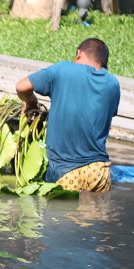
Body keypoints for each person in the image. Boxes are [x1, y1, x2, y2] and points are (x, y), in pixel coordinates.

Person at [16, 38, 120, 192]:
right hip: (99, 172)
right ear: (104, 62)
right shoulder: (113, 84)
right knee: (94, 213)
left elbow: (21, 86)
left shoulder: (63, 70)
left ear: (78, 54)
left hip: (65, 172)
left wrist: (31, 101)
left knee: (57, 214)